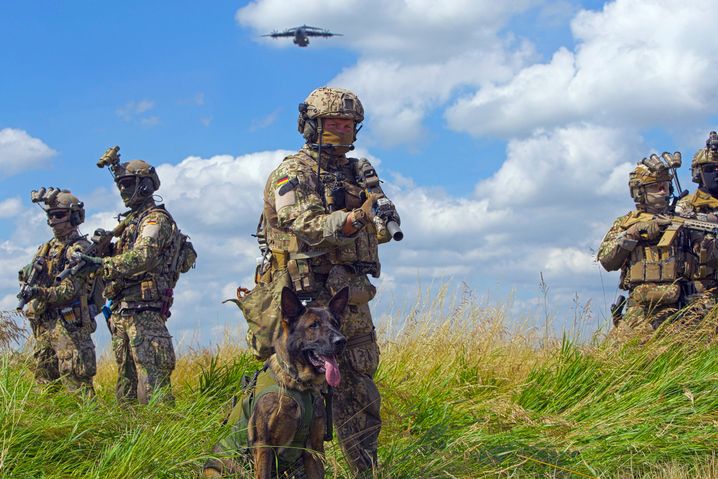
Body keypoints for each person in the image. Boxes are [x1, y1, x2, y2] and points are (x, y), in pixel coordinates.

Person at [259, 86, 401, 475]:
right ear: (311, 125)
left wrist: (375, 213)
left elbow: (384, 232)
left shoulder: (359, 173)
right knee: (293, 400)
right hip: (305, 303)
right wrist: (352, 219)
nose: (341, 129)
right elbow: (298, 222)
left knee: (360, 390)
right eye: (333, 122)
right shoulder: (292, 172)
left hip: (348, 301)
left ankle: (363, 470)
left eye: (348, 123)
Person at [76, 158, 196, 404]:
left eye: (128, 183)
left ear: (145, 185)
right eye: (120, 184)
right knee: (126, 388)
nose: (123, 190)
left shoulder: (155, 219)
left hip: (145, 311)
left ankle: (164, 439)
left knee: (153, 386)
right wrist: (105, 252)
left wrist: (102, 264)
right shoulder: (131, 223)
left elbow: (144, 255)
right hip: (123, 311)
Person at [597, 157, 709, 334]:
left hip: (684, 309)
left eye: (666, 186)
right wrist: (635, 233)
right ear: (639, 192)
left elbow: (705, 259)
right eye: (656, 187)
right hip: (641, 312)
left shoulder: (685, 220)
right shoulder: (626, 223)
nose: (663, 191)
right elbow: (606, 261)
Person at [17, 188, 99, 395]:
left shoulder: (81, 249)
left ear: (74, 216)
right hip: (45, 324)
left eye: (59, 215)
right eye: (50, 215)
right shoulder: (46, 248)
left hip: (70, 325)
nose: (53, 220)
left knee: (77, 385)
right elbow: (26, 275)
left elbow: (68, 291)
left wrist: (39, 292)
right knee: (44, 385)